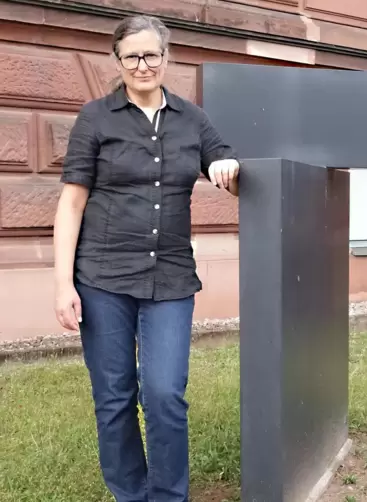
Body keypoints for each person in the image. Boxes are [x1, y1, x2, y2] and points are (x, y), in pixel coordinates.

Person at [53, 14, 239, 502]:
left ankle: (169, 496)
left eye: (151, 54)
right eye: (131, 56)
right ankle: (129, 494)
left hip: (171, 278)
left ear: (166, 57)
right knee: (114, 398)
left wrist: (228, 165)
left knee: (164, 395)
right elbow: (71, 203)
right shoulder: (96, 118)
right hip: (102, 277)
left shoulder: (192, 118)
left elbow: (225, 160)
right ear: (117, 61)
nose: (142, 64)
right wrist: (62, 284)